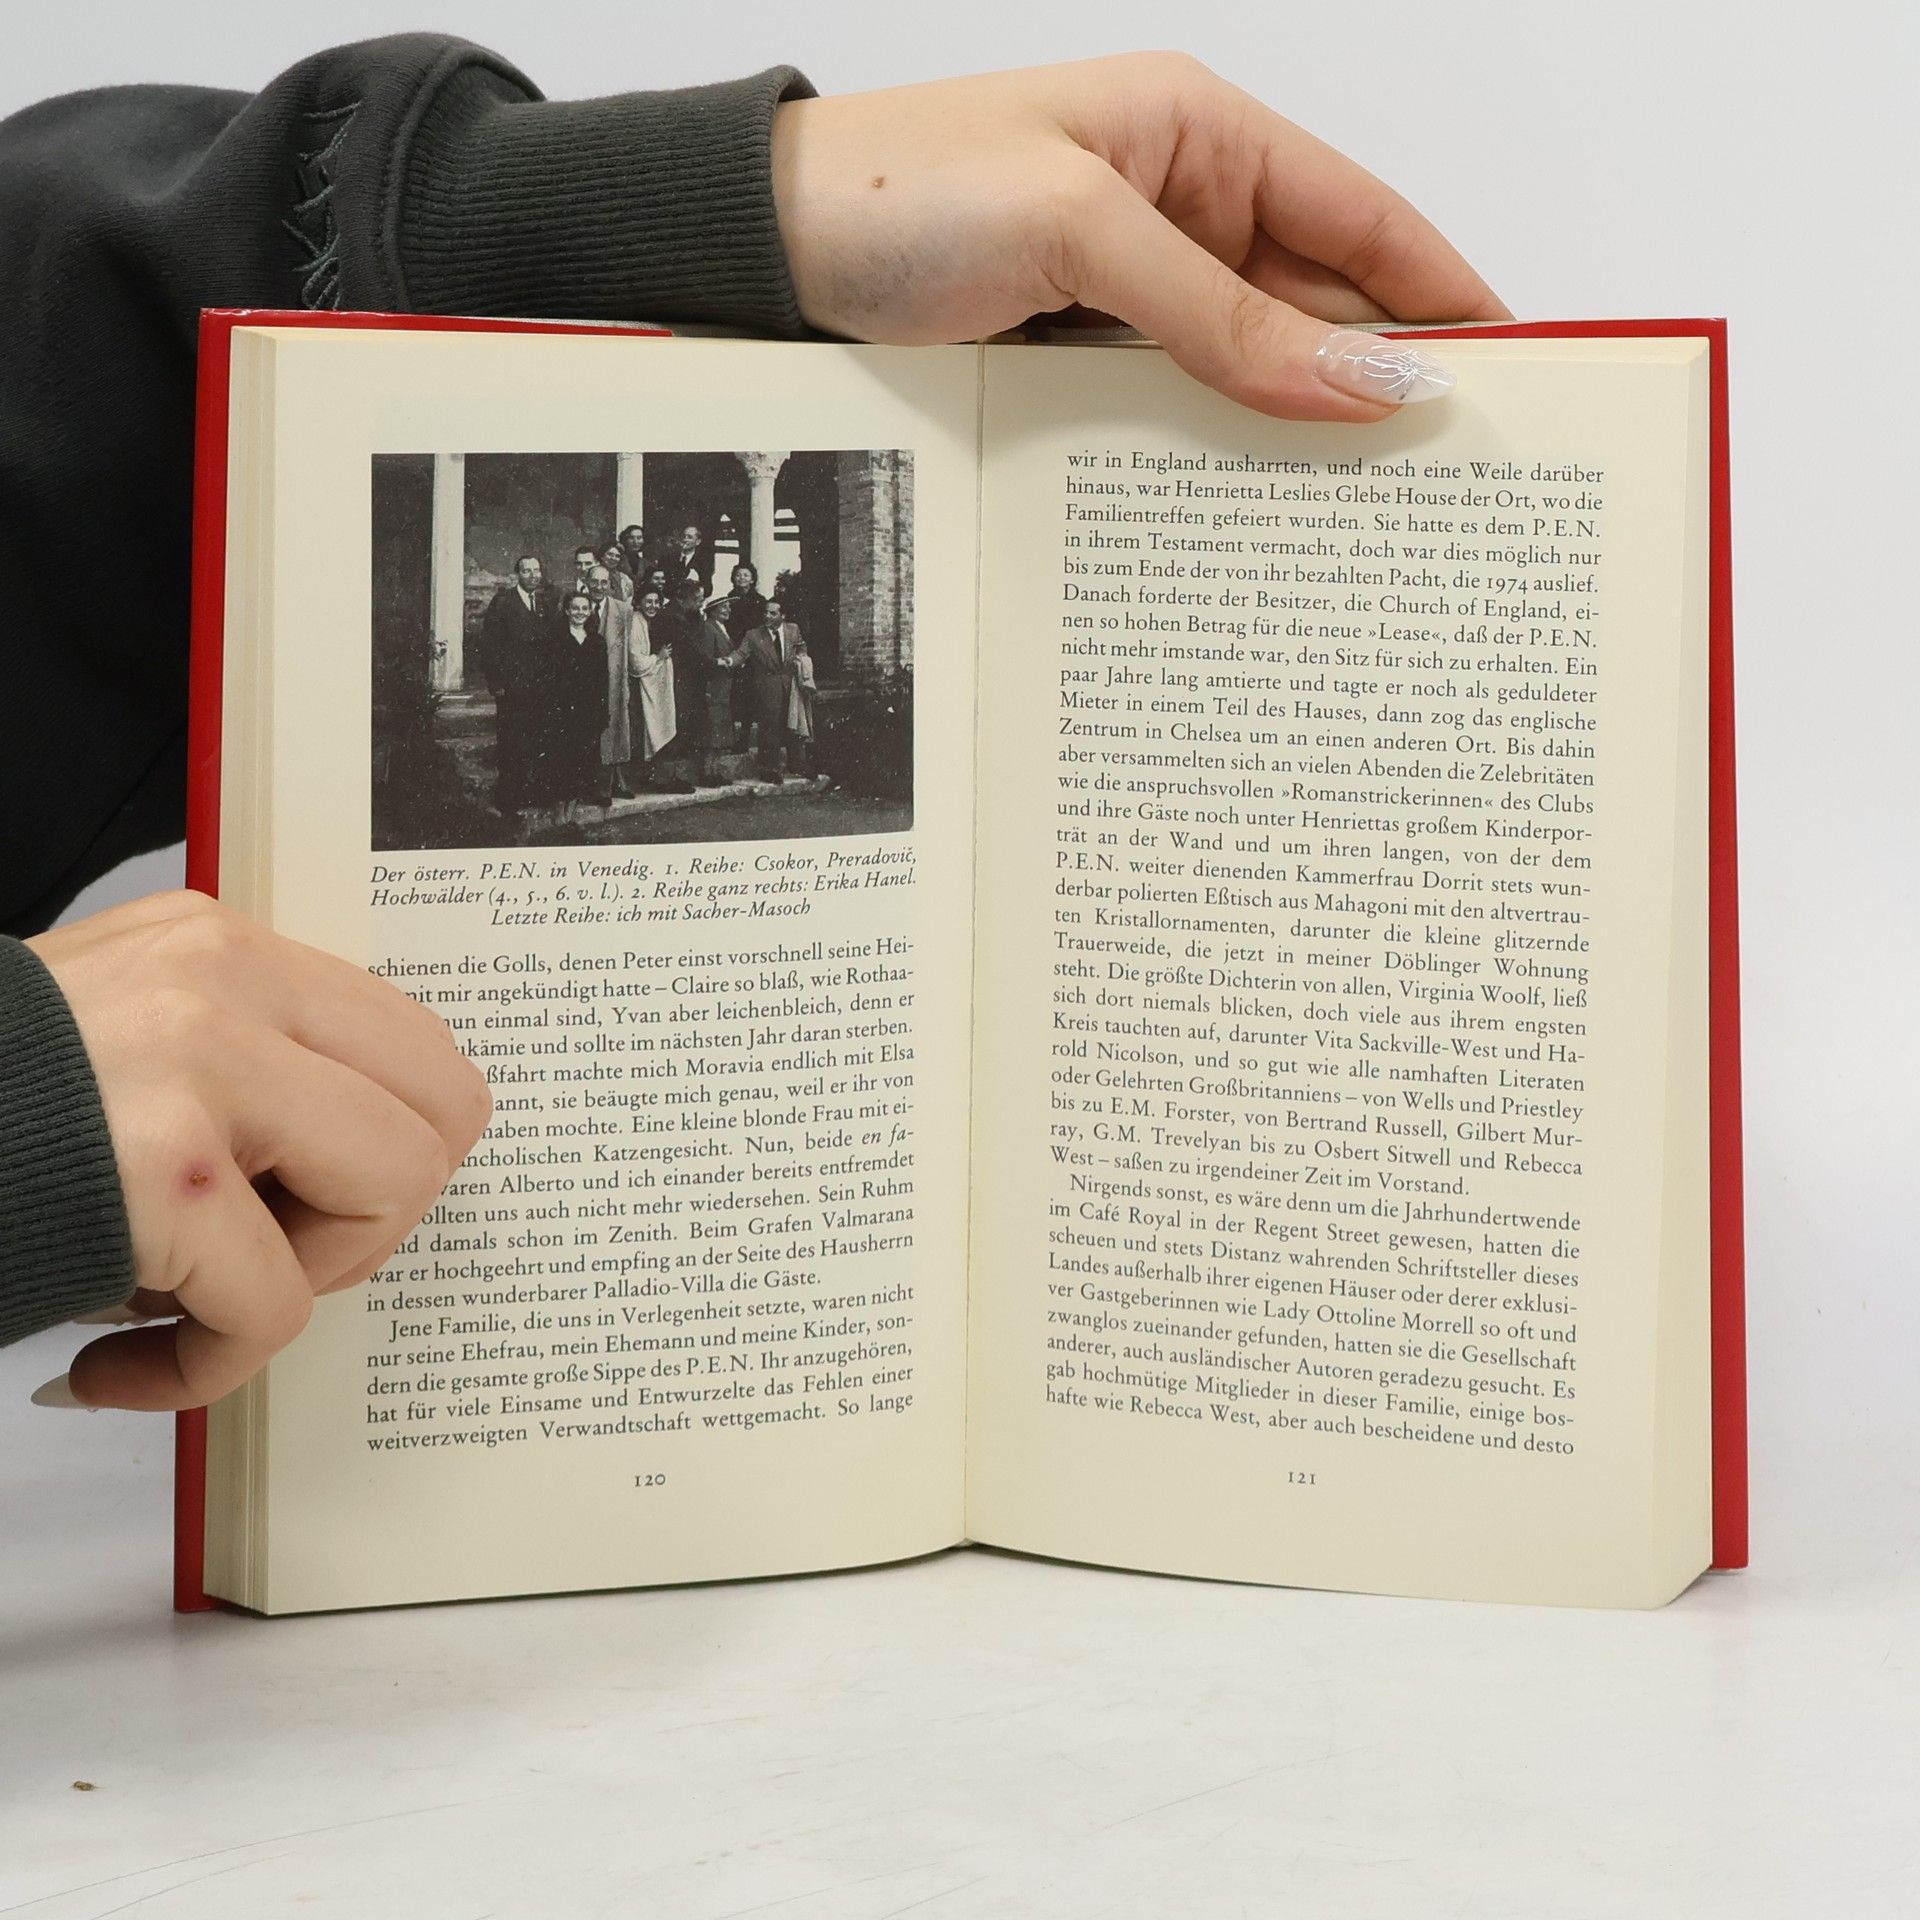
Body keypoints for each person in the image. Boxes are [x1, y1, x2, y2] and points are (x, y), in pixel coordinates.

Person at [0, 40, 1504, 1406]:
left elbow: (57, 396)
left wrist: (707, 204)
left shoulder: (704, 604)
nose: (621, 573)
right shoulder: (573, 607)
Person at [478, 554, 547, 816]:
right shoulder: (504, 601)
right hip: (511, 686)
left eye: (536, 570)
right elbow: (490, 644)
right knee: (510, 741)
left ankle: (530, 793)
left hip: (536, 686)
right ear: (517, 574)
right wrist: (496, 682)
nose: (533, 575)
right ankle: (508, 799)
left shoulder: (542, 602)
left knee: (533, 740)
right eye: (527, 571)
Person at [740, 597, 807, 781]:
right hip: (767, 687)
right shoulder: (753, 635)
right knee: (770, 727)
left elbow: (801, 647)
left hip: (791, 685)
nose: (767, 616)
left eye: (773, 613)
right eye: (765, 612)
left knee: (794, 723)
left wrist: (801, 661)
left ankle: (797, 765)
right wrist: (727, 661)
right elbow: (741, 654)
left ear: (782, 615)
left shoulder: (793, 629)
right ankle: (769, 769)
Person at [587, 566, 638, 803]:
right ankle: (592, 785)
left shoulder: (623, 609)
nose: (599, 587)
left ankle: (611, 783)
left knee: (614, 729)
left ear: (610, 585)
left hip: (613, 679)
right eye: (594, 582)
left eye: (603, 582)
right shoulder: (578, 606)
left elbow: (628, 649)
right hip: (586, 680)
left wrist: (625, 682)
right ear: (587, 582)